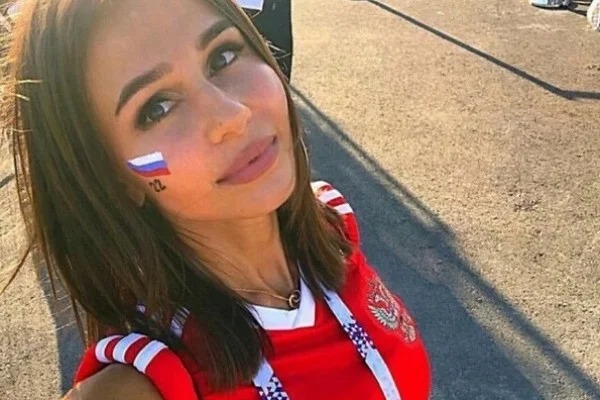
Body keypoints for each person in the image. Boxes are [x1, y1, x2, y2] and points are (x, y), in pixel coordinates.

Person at [2, 0, 431, 399]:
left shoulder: (333, 225)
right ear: (111, 179)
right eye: (157, 108)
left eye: (223, 56)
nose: (231, 115)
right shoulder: (149, 383)